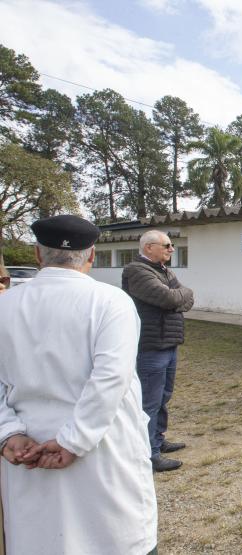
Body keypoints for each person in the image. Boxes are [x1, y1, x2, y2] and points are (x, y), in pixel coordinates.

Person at [0, 215, 157, 554]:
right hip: (102, 448)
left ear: (38, 255)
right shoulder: (111, 302)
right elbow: (111, 377)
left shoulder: (5, 305)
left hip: (28, 449)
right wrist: (74, 440)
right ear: (92, 256)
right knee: (113, 540)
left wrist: (8, 433)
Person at [122, 229, 194, 472]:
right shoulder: (137, 271)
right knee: (150, 402)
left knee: (164, 396)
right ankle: (148, 454)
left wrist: (178, 295)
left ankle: (158, 440)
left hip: (169, 341)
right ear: (148, 247)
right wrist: (178, 297)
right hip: (152, 345)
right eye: (167, 245)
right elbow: (172, 299)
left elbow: (187, 297)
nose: (171, 249)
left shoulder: (163, 270)